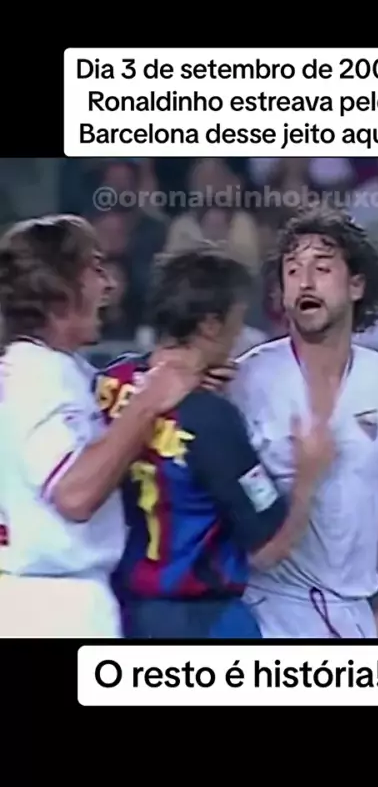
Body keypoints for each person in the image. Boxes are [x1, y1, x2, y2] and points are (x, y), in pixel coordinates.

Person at [229, 205, 378, 638]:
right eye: (293, 270)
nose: (305, 281)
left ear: (356, 285)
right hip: (264, 609)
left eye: (322, 267)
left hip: (352, 616)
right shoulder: (246, 381)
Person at [97, 244, 333, 639]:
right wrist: (309, 478)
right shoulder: (211, 419)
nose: (240, 335)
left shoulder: (108, 382)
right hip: (199, 623)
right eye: (238, 320)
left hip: (116, 611)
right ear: (210, 325)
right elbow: (269, 548)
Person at [0, 214, 200, 638]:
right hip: (53, 607)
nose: (108, 285)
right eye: (94, 268)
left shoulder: (39, 366)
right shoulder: (39, 377)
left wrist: (168, 374)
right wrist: (146, 405)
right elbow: (74, 494)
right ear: (57, 288)